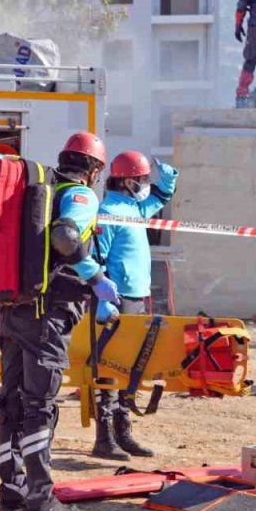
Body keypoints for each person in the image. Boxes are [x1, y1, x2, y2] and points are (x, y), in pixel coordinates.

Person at [0, 131, 121, 511]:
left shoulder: (37, 193)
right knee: (40, 404)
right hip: (48, 315)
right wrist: (95, 275)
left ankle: (12, 491)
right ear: (95, 168)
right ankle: (41, 497)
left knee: (13, 400)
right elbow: (66, 235)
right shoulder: (81, 195)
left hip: (14, 309)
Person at [91, 150, 178, 460]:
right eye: (141, 179)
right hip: (117, 301)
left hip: (136, 298)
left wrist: (167, 178)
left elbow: (160, 197)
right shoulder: (110, 210)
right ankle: (105, 439)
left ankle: (123, 432)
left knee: (129, 368)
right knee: (111, 367)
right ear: (127, 181)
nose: (145, 184)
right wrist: (102, 299)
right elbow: (98, 257)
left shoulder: (133, 208)